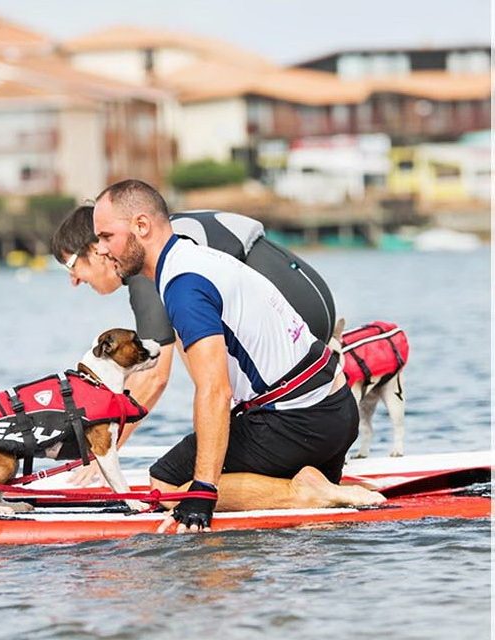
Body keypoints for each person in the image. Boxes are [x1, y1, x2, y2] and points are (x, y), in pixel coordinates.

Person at [85, 179, 380, 534]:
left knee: (163, 484)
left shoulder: (184, 285)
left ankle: (299, 492)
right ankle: (316, 480)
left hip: (301, 424)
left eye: (105, 236)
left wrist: (204, 490)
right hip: (336, 414)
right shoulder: (197, 257)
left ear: (142, 226)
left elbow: (215, 391)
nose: (100, 249)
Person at [50, 205, 336, 485]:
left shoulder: (147, 266)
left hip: (298, 312)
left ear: (97, 247)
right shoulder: (159, 245)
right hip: (305, 298)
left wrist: (103, 453)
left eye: (70, 264)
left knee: (175, 475)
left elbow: (153, 377)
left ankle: (294, 482)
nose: (73, 279)